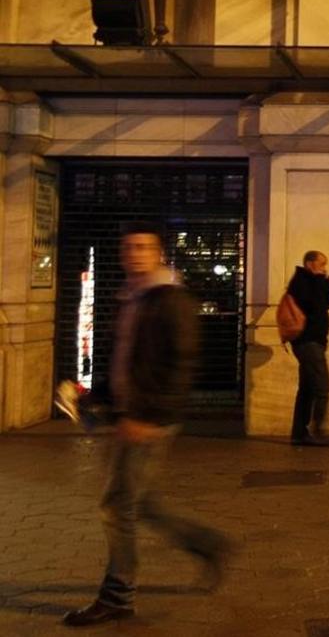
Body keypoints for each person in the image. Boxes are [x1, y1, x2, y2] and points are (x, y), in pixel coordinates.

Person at [64, 222, 231, 627]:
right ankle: (205, 544)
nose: (135, 253)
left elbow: (181, 364)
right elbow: (124, 360)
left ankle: (118, 595)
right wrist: (94, 395)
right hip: (131, 417)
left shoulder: (170, 300)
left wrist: (149, 417)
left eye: (144, 246)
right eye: (129, 247)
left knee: (116, 506)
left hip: (148, 420)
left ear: (159, 252)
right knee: (142, 503)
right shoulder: (133, 298)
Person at [287, 250, 329, 446]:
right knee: (323, 387)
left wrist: (326, 281)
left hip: (315, 341)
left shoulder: (314, 281)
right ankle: (319, 430)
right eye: (321, 264)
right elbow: (314, 305)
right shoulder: (301, 282)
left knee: (307, 388)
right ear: (309, 263)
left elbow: (327, 304)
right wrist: (318, 281)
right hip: (307, 341)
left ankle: (299, 433)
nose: (324, 268)